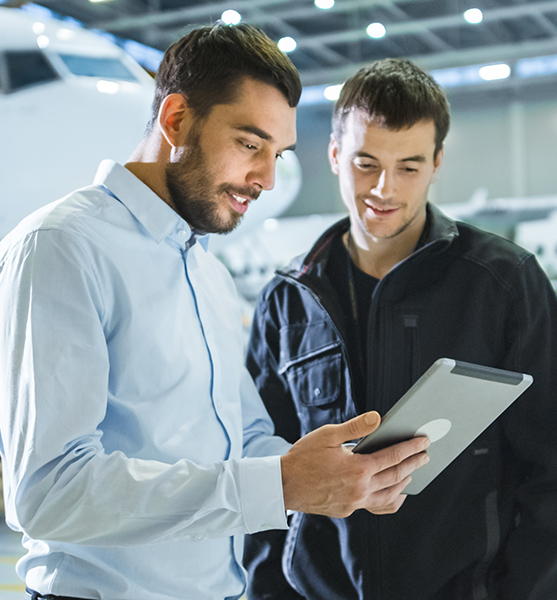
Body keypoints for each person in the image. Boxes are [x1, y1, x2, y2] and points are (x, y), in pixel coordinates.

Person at [0, 26, 432, 600]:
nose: (266, 180)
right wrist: (278, 485)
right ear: (176, 120)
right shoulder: (63, 246)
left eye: (276, 155)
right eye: (250, 145)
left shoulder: (206, 271)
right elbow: (49, 492)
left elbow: (245, 440)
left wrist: (339, 475)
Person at [243, 58, 557, 600]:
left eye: (408, 166)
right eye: (366, 163)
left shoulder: (502, 283)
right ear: (335, 155)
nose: (384, 189)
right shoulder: (288, 299)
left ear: (436, 164)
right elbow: (260, 464)